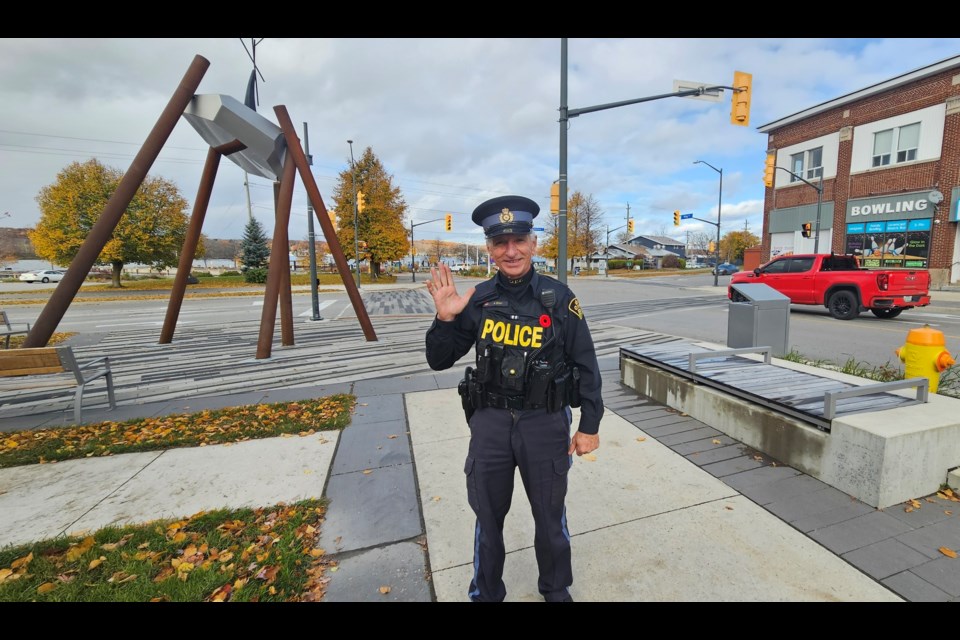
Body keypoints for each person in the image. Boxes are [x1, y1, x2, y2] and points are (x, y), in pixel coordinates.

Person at [423, 194, 603, 603]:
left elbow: (587, 363)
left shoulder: (559, 299)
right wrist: (446, 317)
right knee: (488, 517)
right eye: (500, 243)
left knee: (549, 516)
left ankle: (556, 589)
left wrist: (590, 424)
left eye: (519, 240)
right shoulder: (478, 300)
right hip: (491, 423)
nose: (511, 250)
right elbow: (438, 359)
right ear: (489, 249)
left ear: (534, 243)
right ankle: (486, 592)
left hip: (545, 423)